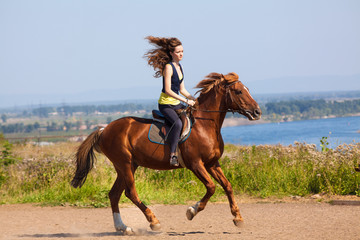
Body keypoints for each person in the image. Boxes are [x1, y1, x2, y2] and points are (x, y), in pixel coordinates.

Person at [144, 36, 196, 166]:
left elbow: (182, 89)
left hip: (176, 103)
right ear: (171, 53)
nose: (181, 54)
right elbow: (168, 90)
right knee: (177, 124)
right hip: (166, 104)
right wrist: (185, 100)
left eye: (182, 51)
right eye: (178, 52)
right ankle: (172, 155)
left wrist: (192, 98)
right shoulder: (168, 67)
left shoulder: (180, 67)